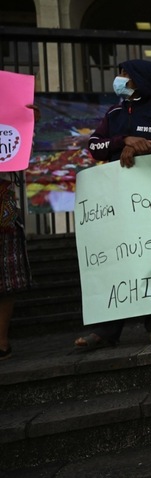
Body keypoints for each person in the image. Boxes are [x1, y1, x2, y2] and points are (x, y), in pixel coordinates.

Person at [74, 59, 151, 349]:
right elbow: (94, 147)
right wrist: (123, 141)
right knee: (113, 259)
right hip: (116, 203)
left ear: (141, 80)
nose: (119, 79)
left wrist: (150, 147)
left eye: (125, 74)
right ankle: (105, 331)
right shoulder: (113, 113)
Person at [0, 104, 39, 360]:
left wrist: (28, 124)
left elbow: (22, 153)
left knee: (7, 277)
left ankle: (1, 341)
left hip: (3, 206)